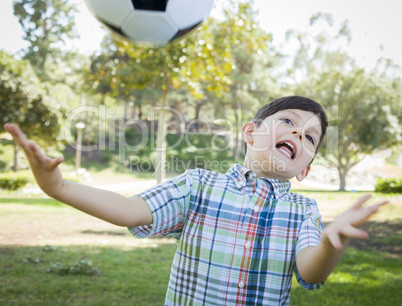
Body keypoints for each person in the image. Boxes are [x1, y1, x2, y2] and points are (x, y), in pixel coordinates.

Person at [4, 95, 387, 306]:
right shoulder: (199, 186)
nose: (298, 134)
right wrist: (57, 187)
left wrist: (330, 243)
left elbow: (310, 272)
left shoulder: (303, 211)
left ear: (304, 170)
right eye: (288, 121)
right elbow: (128, 209)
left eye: (309, 138)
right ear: (250, 134)